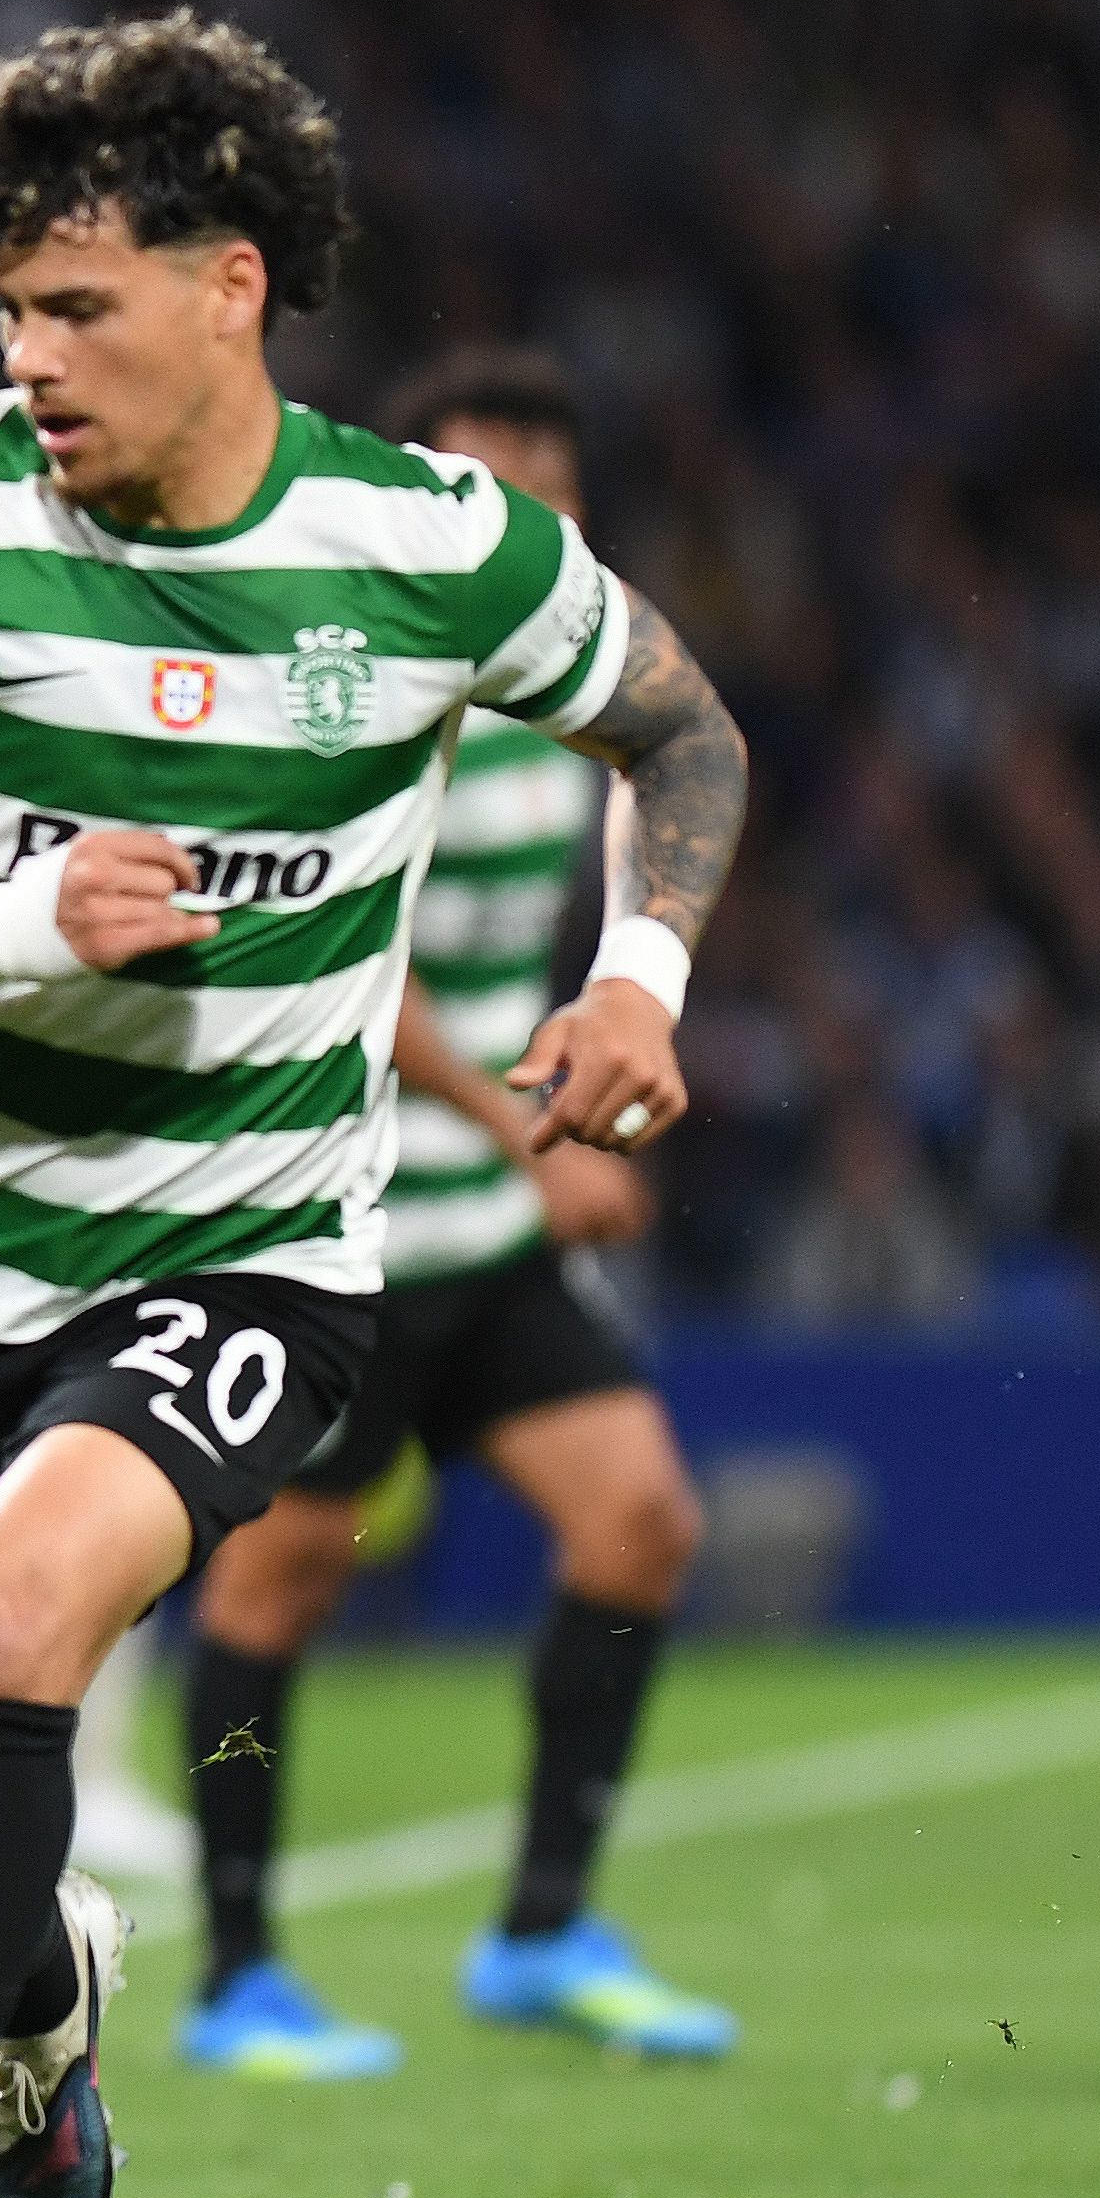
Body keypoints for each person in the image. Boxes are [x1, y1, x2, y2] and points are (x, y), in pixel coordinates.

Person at [0, 11, 750, 2198]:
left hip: (252, 1249)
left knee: (7, 1619)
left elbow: (676, 731)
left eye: (72, 309)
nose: (24, 361)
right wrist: (11, 923)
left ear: (228, 286)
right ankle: (42, 2012)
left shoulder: (428, 546)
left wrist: (638, 966)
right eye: (1, 315)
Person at [174, 349, 728, 2082]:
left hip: (479, 1235)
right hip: (333, 1227)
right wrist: (534, 1127)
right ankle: (237, 1970)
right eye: (478, 488)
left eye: (540, 497)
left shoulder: (564, 700)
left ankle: (544, 1927)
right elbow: (355, 957)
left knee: (640, 1522)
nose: (510, 528)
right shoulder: (354, 695)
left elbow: (674, 775)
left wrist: (629, 995)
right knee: (274, 1593)